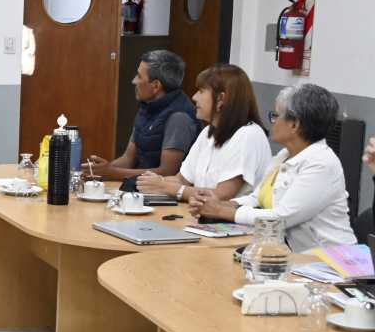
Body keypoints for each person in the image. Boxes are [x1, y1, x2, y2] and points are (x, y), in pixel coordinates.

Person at [191, 83, 356, 252]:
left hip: (330, 263)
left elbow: (281, 218)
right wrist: (219, 204)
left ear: (294, 125)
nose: (273, 122)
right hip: (296, 258)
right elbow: (257, 198)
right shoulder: (284, 155)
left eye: (276, 116)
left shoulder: (321, 163)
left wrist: (221, 211)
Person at [137, 64, 271, 202]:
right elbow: (181, 179)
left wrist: (164, 186)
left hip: (235, 221)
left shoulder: (248, 135)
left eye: (201, 91)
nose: (194, 97)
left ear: (221, 99)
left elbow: (221, 195)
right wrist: (150, 182)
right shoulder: (208, 132)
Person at [86, 50, 198, 181]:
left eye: (139, 76)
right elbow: (128, 159)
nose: (134, 81)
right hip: (140, 188)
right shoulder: (147, 105)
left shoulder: (179, 118)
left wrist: (111, 173)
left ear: (156, 86)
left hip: (163, 196)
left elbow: (168, 172)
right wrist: (97, 172)